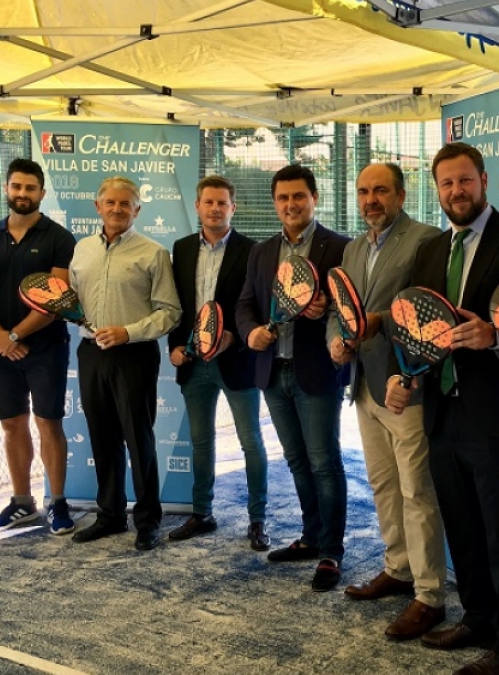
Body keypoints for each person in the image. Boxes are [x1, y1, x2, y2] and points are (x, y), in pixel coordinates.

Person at [388, 142, 499, 675]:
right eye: (447, 183)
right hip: (443, 410)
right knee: (462, 527)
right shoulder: (431, 250)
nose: (456, 191)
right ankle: (478, 618)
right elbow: (415, 325)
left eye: (465, 180)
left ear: (484, 180)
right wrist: (402, 374)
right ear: (437, 190)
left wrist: (495, 337)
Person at [328, 163, 446, 638]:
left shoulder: (426, 240)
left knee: (418, 492)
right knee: (383, 485)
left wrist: (379, 324)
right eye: (363, 192)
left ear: (401, 195)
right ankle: (398, 569)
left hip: (406, 388)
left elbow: (427, 312)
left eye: (380, 190)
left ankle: (430, 594)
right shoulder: (354, 247)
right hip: (364, 385)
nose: (370, 199)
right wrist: (336, 340)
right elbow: (340, 310)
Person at [236, 164, 350, 591]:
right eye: (283, 198)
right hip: (272, 371)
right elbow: (245, 304)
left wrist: (325, 311)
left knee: (324, 462)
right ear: (274, 203)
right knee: (297, 461)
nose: (291, 204)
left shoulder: (340, 247)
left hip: (316, 372)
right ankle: (311, 535)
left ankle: (331, 552)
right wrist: (251, 332)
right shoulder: (262, 252)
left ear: (314, 198)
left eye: (298, 196)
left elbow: (348, 310)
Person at [68, 175, 181, 552]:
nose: (117, 209)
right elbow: (72, 300)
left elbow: (170, 312)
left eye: (125, 204)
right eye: (110, 203)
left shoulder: (153, 253)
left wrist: (127, 332)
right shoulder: (82, 249)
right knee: (102, 438)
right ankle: (110, 515)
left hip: (134, 355)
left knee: (139, 439)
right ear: (98, 207)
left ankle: (147, 520)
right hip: (90, 353)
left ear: (137, 210)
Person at [0, 158, 76, 536]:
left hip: (46, 347)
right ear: (6, 188)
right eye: (16, 186)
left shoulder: (59, 238)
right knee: (12, 425)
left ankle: (57, 503)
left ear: (42, 193)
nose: (23, 193)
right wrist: (0, 337)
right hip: (0, 350)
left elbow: (56, 300)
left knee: (48, 423)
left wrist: (14, 335)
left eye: (30, 188)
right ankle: (22, 503)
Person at [167, 175, 269, 550]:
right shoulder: (181, 249)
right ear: (197, 206)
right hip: (193, 363)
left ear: (232, 208)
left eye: (222, 203)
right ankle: (202, 514)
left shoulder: (252, 250)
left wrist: (236, 338)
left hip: (236, 361)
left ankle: (257, 520)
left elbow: (257, 306)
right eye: (208, 202)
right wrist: (174, 346)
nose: (215, 209)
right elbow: (175, 305)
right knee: (200, 442)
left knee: (250, 442)